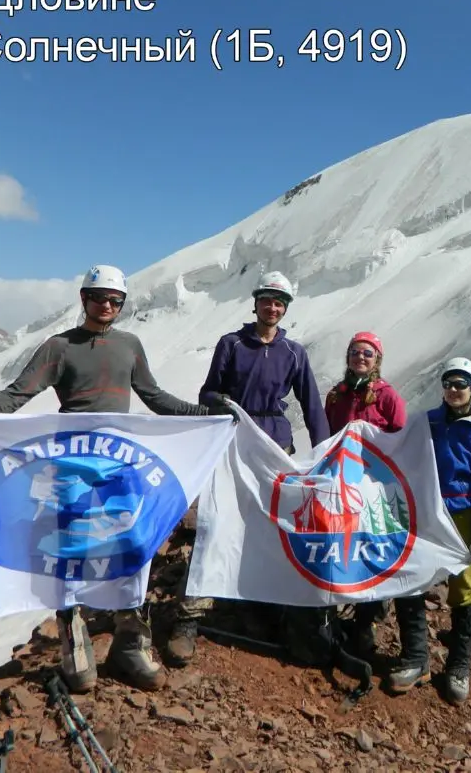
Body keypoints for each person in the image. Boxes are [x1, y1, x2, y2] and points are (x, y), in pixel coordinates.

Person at [0, 264, 211, 694]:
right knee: (69, 550)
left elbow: (154, 397)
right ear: (84, 300)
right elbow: (19, 394)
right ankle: (73, 643)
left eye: (115, 300)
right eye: (99, 298)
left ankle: (130, 641)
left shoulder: (130, 345)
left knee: (131, 547)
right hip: (70, 465)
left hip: (119, 465)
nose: (107, 306)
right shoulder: (58, 347)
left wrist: (208, 416)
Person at [164, 270, 329, 665]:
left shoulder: (294, 353)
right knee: (218, 521)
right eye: (266, 300)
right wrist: (220, 402)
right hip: (234, 439)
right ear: (255, 304)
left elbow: (311, 404)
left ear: (285, 308)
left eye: (279, 302)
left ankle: (271, 606)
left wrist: (326, 451)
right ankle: (190, 615)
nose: (272, 307)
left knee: (273, 524)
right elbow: (208, 391)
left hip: (274, 445)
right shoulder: (232, 343)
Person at [388, 356, 471, 705]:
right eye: (449, 383)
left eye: (460, 384)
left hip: (462, 517)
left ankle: (459, 667)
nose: (453, 390)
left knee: (464, 589)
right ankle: (416, 658)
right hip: (428, 512)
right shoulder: (428, 422)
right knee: (412, 578)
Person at [322, 331, 407, 655]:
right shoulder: (337, 395)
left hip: (376, 486)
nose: (360, 357)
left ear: (377, 360)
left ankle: (367, 620)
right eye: (356, 352)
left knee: (373, 546)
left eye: (367, 353)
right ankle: (334, 612)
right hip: (343, 482)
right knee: (342, 544)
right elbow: (330, 435)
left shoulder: (387, 396)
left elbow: (400, 437)